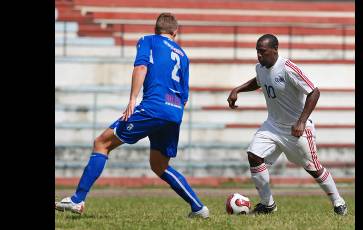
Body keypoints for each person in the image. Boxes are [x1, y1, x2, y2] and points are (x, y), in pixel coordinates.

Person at [55, 13, 209, 218]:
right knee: (160, 165)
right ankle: (199, 208)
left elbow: (142, 66)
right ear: (175, 32)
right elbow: (185, 95)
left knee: (102, 143)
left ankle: (77, 200)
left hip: (152, 108)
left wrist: (132, 99)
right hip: (174, 112)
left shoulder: (148, 40)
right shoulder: (183, 55)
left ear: (156, 29)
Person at [227, 34, 347, 215]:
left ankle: (339, 202)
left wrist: (301, 121)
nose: (259, 56)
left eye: (263, 52)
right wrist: (237, 89)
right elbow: (258, 80)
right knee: (253, 155)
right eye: (257, 52)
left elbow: (314, 92)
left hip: (296, 129)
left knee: (314, 169)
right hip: (273, 126)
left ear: (275, 50)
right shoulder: (261, 67)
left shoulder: (288, 68)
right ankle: (268, 205)